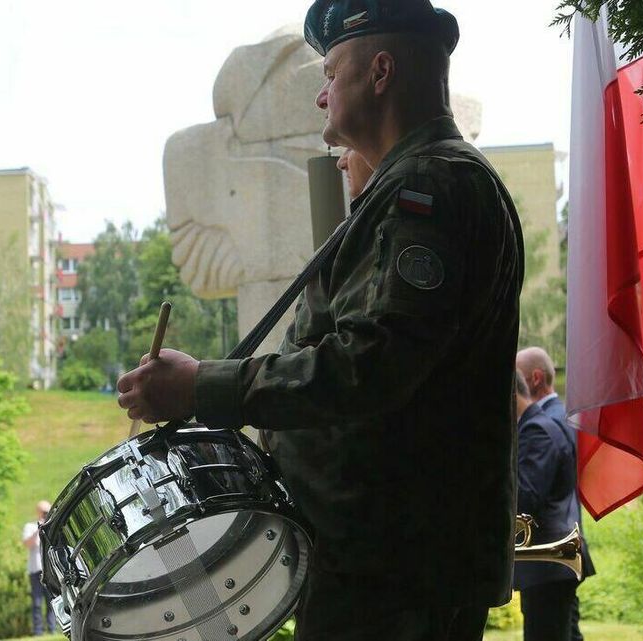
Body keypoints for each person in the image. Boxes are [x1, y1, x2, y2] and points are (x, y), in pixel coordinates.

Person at [117, 1, 524, 639]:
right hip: (378, 565)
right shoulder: (408, 187)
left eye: (331, 74)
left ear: (381, 71)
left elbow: (368, 366)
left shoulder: (429, 189)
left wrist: (203, 387)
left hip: (395, 574)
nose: (321, 97)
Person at [516, 347, 594, 641]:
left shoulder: (547, 424)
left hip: (552, 551)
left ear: (535, 379)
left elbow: (530, 496)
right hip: (556, 551)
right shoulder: (555, 418)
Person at [21, 501, 55, 636]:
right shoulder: (30, 527)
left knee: (51, 601)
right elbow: (28, 544)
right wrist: (38, 528)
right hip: (35, 570)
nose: (46, 515)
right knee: (36, 602)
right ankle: (38, 631)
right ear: (38, 512)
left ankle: (52, 630)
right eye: (44, 512)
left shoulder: (52, 526)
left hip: (49, 569)